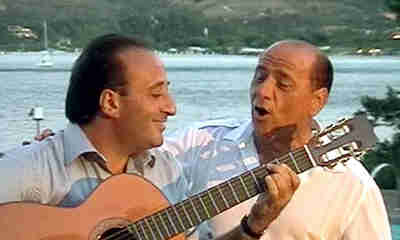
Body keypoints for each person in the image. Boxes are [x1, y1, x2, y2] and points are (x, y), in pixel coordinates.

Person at [0, 34, 298, 239]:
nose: (171, 107)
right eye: (156, 94)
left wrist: (255, 224)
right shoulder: (30, 169)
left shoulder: (166, 172)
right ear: (111, 103)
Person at [163, 40, 392, 239]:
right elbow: (132, 169)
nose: (262, 91)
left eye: (283, 85)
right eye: (260, 77)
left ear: (317, 101)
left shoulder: (353, 186)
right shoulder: (198, 143)